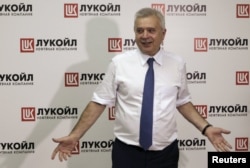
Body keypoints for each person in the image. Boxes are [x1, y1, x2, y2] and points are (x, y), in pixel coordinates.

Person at [51, 7, 232, 168]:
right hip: (126, 153)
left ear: (163, 33)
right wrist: (75, 135)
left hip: (165, 154)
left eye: (151, 30)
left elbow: (183, 101)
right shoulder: (119, 63)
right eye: (140, 31)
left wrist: (206, 128)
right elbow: (99, 102)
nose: (145, 35)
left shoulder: (177, 63)